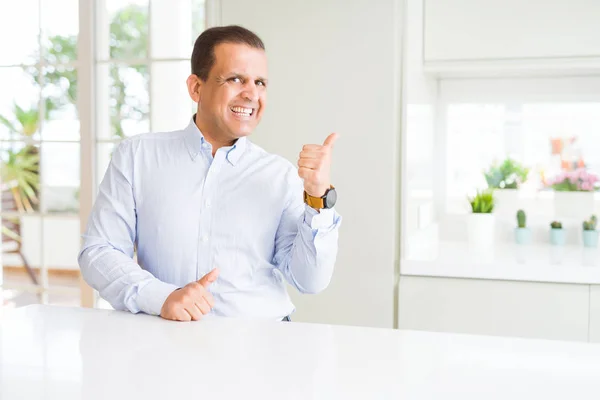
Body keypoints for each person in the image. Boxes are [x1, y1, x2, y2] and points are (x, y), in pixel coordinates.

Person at [78, 25, 342, 322]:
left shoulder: (280, 175)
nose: (252, 94)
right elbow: (99, 251)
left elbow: (310, 280)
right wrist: (161, 296)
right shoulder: (137, 157)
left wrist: (317, 197)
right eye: (236, 79)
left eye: (260, 82)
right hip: (166, 341)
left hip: (263, 345)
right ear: (196, 87)